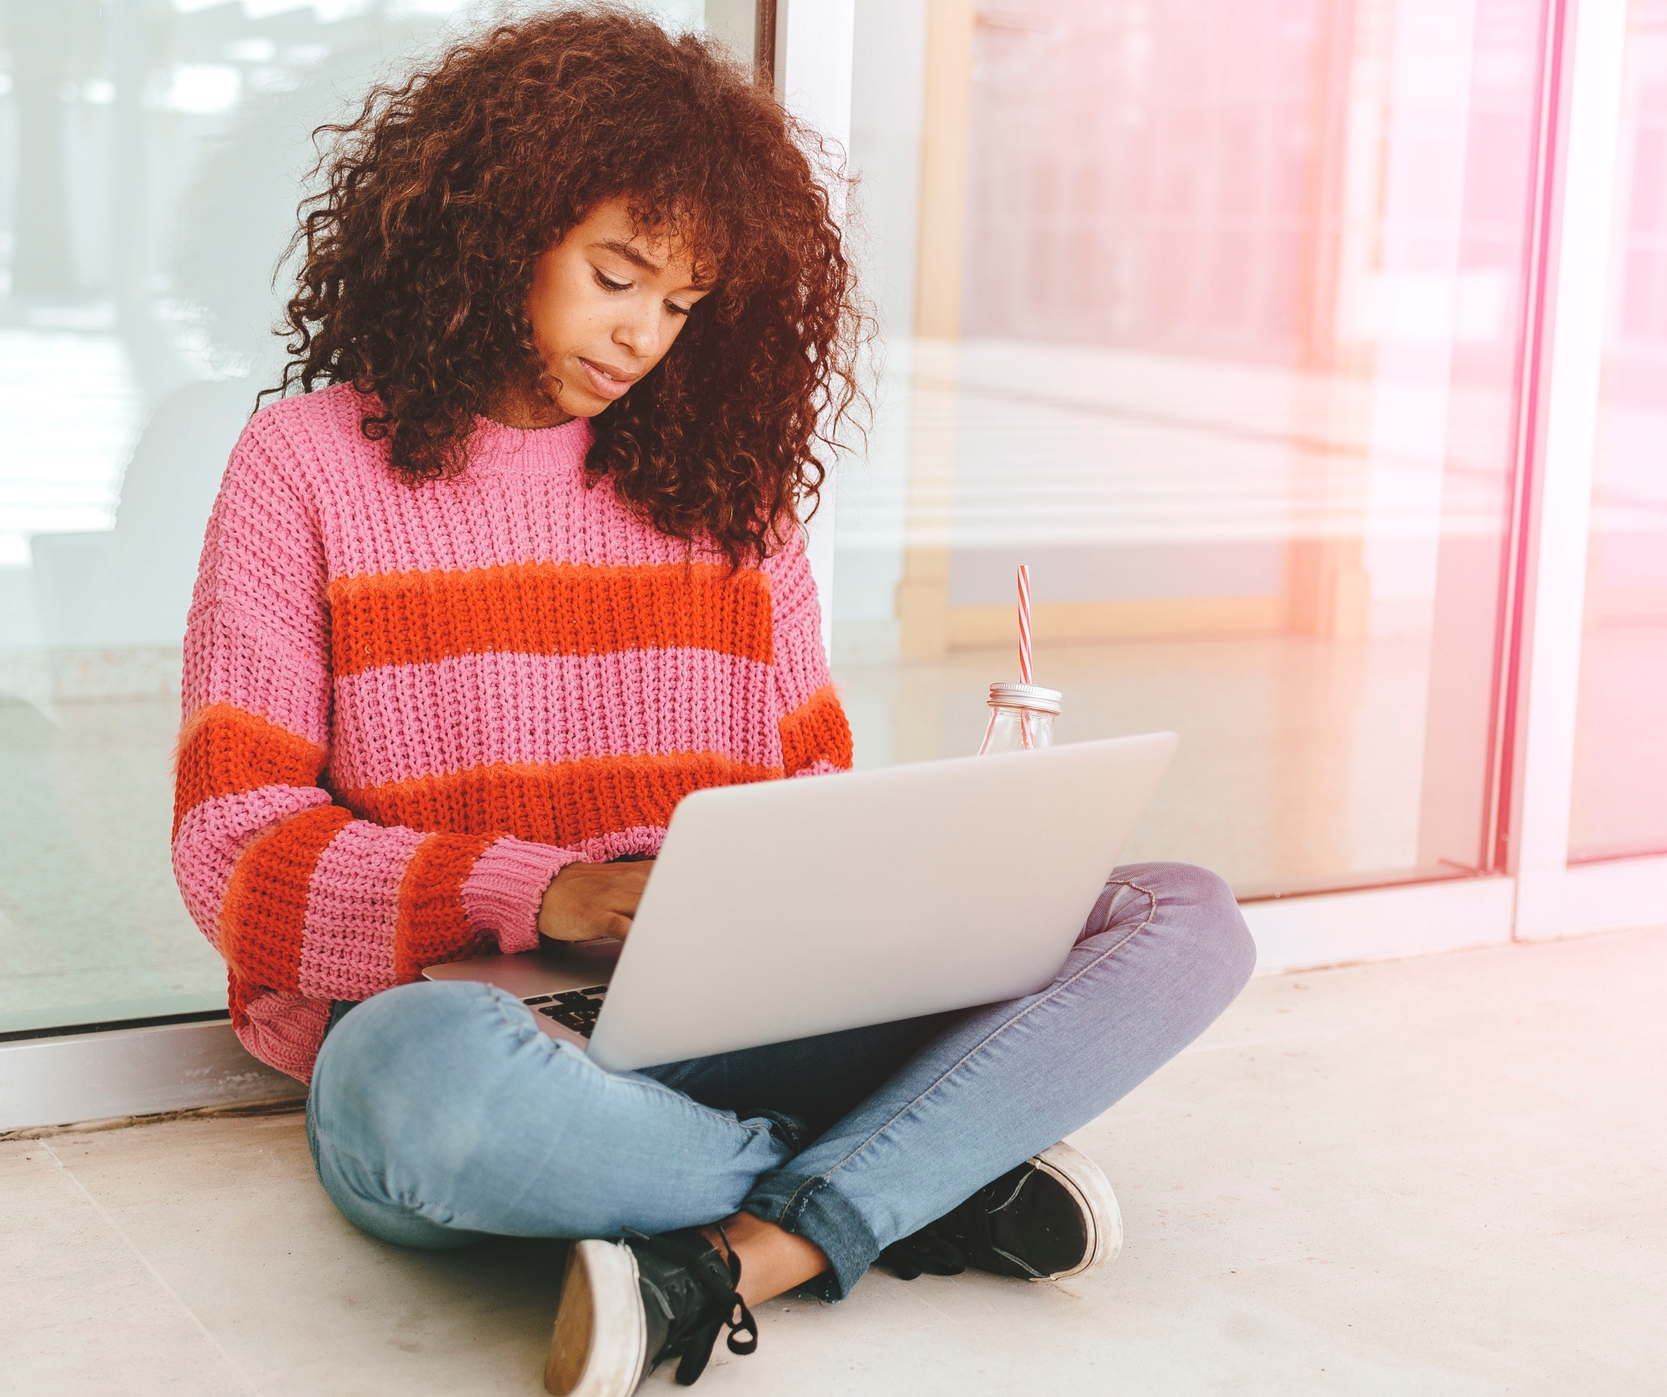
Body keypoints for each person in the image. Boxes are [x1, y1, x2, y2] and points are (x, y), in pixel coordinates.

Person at [171, 9, 1254, 1394]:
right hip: (494, 1034)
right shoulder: (307, 466)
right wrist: (547, 894)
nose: (642, 337)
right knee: (406, 1084)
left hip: (746, 1021)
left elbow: (810, 803)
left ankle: (740, 1252)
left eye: (681, 305)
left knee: (1181, 912)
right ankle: (915, 1177)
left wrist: (882, 898)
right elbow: (234, 850)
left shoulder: (727, 499)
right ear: (497, 226)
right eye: (616, 275)